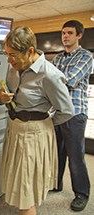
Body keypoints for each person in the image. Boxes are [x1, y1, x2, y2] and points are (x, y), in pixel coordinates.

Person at [0, 26, 75, 215]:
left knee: (25, 193)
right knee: (19, 184)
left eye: (13, 55)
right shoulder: (13, 67)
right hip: (13, 130)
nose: (9, 60)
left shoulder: (50, 75)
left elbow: (67, 111)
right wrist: (0, 98)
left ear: (30, 51)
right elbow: (8, 95)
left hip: (33, 135)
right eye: (7, 54)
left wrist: (42, 124)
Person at [51, 20, 93, 211]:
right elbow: (49, 81)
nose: (65, 36)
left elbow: (71, 80)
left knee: (75, 156)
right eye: (63, 33)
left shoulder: (86, 56)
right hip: (57, 112)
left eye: (69, 33)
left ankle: (82, 194)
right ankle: (56, 183)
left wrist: (53, 80)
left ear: (79, 35)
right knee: (56, 152)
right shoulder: (58, 58)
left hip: (75, 113)